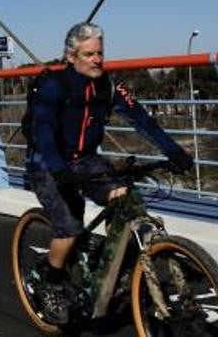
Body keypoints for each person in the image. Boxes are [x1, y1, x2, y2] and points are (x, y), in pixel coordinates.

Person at [26, 22, 193, 324]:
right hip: (48, 164)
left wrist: (174, 151)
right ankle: (48, 281)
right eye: (89, 54)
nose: (97, 60)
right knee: (70, 227)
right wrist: (58, 169)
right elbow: (44, 129)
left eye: (100, 53)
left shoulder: (109, 85)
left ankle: (121, 265)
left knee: (126, 200)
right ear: (71, 57)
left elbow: (141, 119)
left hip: (87, 160)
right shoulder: (53, 85)